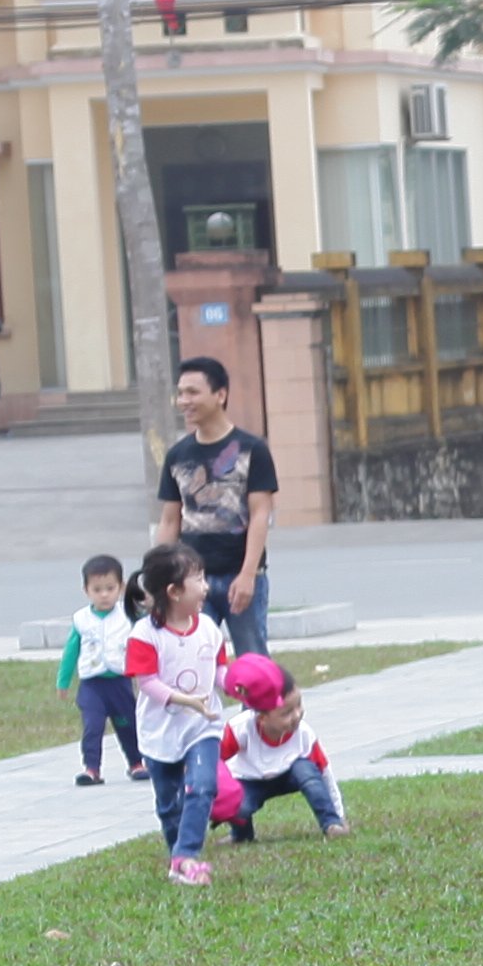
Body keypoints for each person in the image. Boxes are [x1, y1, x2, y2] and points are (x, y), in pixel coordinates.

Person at [120, 545, 233, 886]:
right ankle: (177, 862)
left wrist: (241, 686)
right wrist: (186, 700)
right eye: (197, 578)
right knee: (169, 804)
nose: (206, 586)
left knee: (202, 786)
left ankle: (187, 856)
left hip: (203, 725)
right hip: (160, 731)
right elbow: (148, 683)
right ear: (174, 591)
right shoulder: (144, 635)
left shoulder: (210, 627)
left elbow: (219, 671)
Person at [158, 352, 279, 664]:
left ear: (220, 395)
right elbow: (170, 521)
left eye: (193, 392)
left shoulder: (252, 450)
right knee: (194, 662)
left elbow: (260, 515)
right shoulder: (177, 456)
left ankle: (257, 715)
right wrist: (159, 576)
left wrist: (248, 574)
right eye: (181, 393)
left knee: (253, 664)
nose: (184, 400)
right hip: (190, 581)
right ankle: (203, 715)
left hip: (241, 575)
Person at [218, 655, 342, 845]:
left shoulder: (304, 734)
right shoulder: (239, 729)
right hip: (250, 781)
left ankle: (331, 825)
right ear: (262, 718)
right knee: (239, 805)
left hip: (290, 775)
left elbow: (325, 773)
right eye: (286, 713)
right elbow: (214, 762)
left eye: (298, 705)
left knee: (307, 771)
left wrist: (338, 816)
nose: (297, 715)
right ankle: (241, 835)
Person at [62, 553, 146, 787]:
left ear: (121, 587)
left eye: (110, 588)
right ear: (86, 590)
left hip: (119, 682)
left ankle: (136, 762)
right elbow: (71, 651)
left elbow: (143, 645)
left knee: (128, 723)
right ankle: (91, 769)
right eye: (97, 589)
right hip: (92, 684)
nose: (104, 594)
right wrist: (63, 681)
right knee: (93, 726)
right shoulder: (81, 619)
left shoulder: (129, 616)